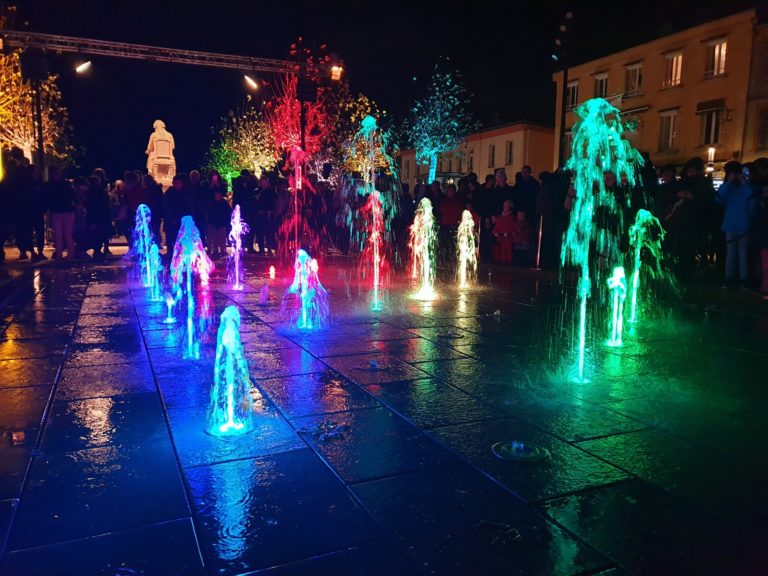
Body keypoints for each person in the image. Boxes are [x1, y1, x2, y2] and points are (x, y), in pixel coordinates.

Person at [716, 161, 755, 288]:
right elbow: (719, 198)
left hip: (741, 224)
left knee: (742, 253)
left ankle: (742, 279)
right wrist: (730, 182)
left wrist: (742, 182)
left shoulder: (745, 187)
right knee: (732, 253)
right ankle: (730, 278)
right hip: (732, 224)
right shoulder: (729, 187)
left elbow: (751, 198)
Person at [45, 167, 76, 260]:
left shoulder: (59, 184)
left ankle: (66, 254)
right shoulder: (61, 184)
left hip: (63, 211)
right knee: (60, 235)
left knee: (65, 234)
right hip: (59, 211)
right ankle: (62, 254)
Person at [86, 175, 112, 257]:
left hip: (93, 215)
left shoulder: (89, 191)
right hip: (101, 215)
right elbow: (106, 203)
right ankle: (99, 249)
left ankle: (97, 250)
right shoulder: (101, 191)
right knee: (102, 233)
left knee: (96, 233)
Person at [163, 173, 189, 251]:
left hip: (180, 219)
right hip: (170, 219)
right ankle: (170, 253)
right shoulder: (169, 193)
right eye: (176, 183)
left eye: (179, 183)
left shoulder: (184, 193)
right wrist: (169, 217)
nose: (178, 184)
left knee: (180, 238)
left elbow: (186, 206)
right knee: (170, 238)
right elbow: (166, 206)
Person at [254, 175, 275, 255]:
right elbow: (255, 202)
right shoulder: (258, 191)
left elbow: (272, 202)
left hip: (267, 214)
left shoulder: (270, 191)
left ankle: (269, 249)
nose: (264, 183)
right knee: (260, 233)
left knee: (268, 233)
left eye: (265, 181)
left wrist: (270, 211)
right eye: (263, 181)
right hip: (259, 214)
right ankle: (261, 249)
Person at [207, 189, 230, 258]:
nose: (217, 197)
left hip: (221, 222)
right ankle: (215, 250)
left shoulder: (224, 203)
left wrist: (226, 221)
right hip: (213, 222)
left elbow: (228, 212)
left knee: (221, 237)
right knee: (214, 237)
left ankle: (223, 250)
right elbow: (209, 213)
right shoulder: (212, 203)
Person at [492, 200, 515, 264]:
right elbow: (496, 227)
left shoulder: (511, 217)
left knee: (508, 254)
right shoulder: (500, 217)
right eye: (504, 206)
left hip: (508, 239)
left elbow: (512, 229)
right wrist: (495, 233)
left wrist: (506, 234)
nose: (505, 207)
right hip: (500, 239)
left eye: (507, 206)